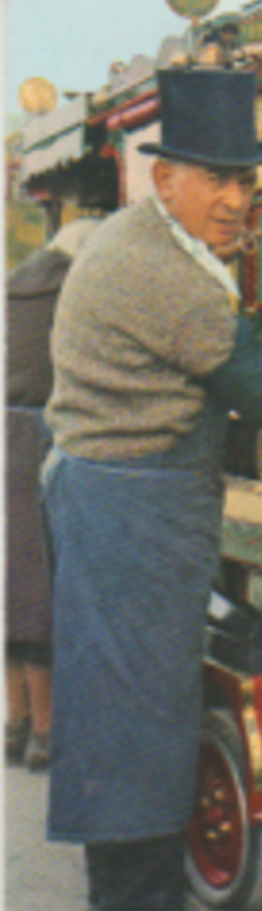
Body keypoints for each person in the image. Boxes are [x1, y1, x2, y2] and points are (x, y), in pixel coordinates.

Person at [43, 68, 262, 911]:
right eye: (216, 180)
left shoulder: (144, 243)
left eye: (245, 181)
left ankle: (121, 885)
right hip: (133, 499)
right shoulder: (166, 275)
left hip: (114, 484)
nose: (235, 201)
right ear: (165, 178)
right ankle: (136, 908)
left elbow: (234, 359)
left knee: (119, 691)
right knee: (140, 697)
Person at [5, 219, 101, 771]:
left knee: (14, 591)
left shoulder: (16, 282)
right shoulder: (75, 285)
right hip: (49, 437)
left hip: (7, 434)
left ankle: (15, 723)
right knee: (43, 591)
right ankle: (47, 730)